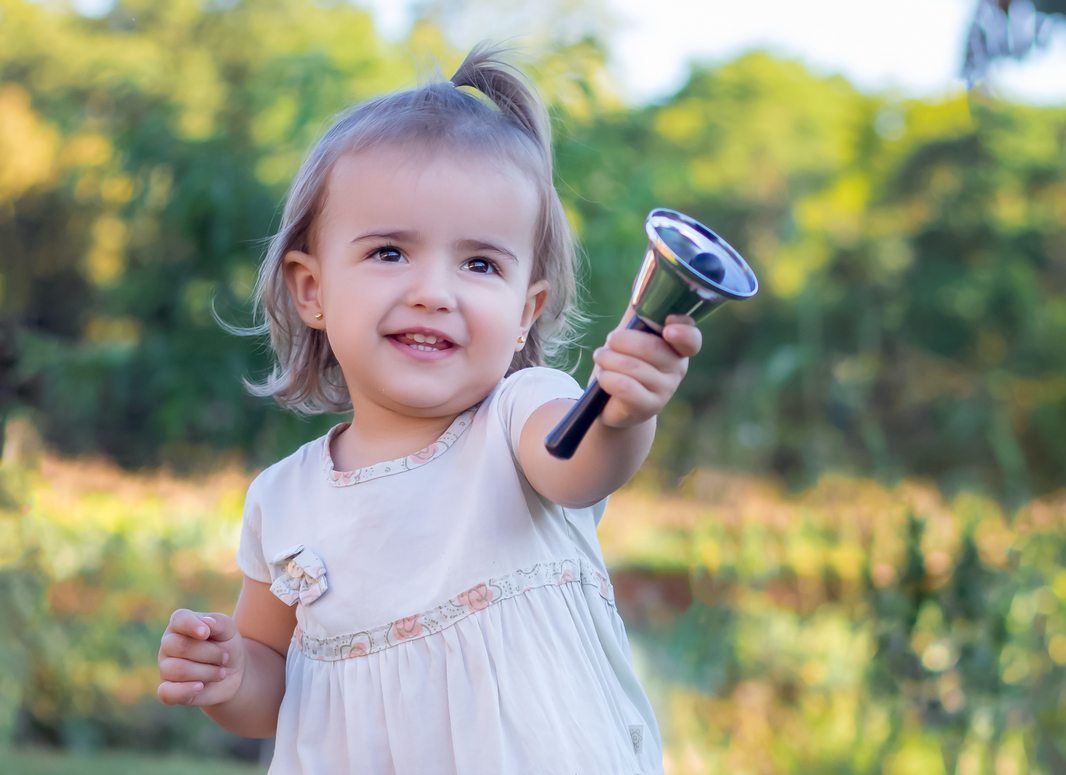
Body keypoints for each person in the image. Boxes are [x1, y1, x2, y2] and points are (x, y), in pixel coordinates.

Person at [154, 43, 701, 774]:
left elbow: (580, 464)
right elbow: (271, 684)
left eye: (480, 264)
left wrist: (626, 409)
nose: (433, 291)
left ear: (523, 312)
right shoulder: (284, 499)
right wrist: (227, 677)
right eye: (389, 253)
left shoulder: (521, 414)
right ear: (310, 288)